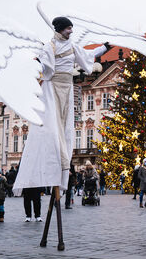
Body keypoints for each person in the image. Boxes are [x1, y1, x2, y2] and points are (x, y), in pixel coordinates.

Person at [12, 17, 110, 196]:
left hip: (68, 86)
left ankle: (64, 165)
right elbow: (46, 69)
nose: (71, 31)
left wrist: (105, 47)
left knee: (66, 125)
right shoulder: (50, 46)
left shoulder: (72, 46)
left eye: (71, 28)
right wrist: (39, 63)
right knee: (54, 124)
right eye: (68, 29)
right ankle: (56, 161)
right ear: (59, 29)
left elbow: (87, 55)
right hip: (54, 86)